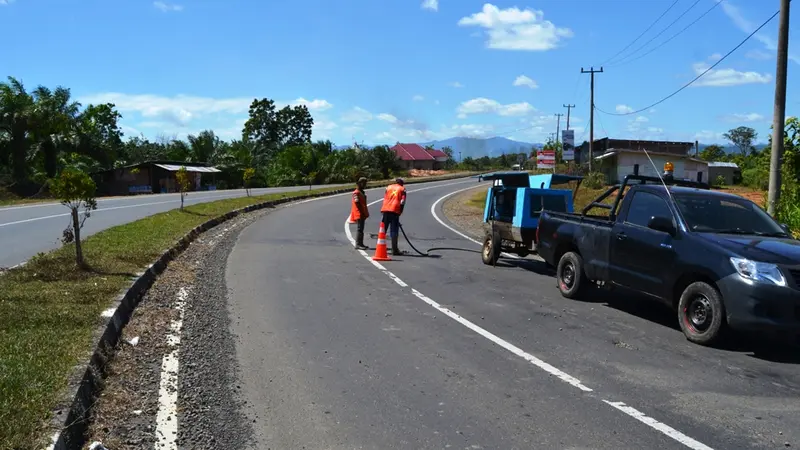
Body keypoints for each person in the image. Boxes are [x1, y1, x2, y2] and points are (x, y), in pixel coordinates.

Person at [380, 177, 407, 255]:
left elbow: (385, 197)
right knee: (394, 230)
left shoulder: (388, 187)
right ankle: (394, 249)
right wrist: (400, 212)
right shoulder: (402, 189)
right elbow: (402, 202)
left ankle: (380, 246)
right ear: (402, 183)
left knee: (383, 229)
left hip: (385, 209)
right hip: (394, 210)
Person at [351, 177, 370, 250]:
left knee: (361, 229)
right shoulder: (356, 192)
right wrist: (361, 211)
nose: (365, 185)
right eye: (364, 183)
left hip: (362, 213)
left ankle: (361, 243)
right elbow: (357, 202)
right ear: (360, 183)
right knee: (360, 229)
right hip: (359, 213)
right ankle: (358, 244)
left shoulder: (362, 192)